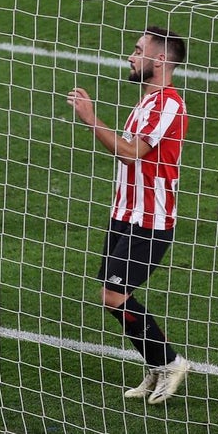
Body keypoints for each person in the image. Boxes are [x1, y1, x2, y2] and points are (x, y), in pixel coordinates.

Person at [66, 26, 191, 405]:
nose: (131, 57)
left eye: (138, 51)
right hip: (124, 215)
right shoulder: (145, 103)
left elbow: (130, 152)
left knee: (114, 295)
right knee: (113, 294)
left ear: (160, 59)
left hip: (151, 221)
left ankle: (170, 362)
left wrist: (91, 119)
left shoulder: (169, 103)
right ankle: (157, 365)